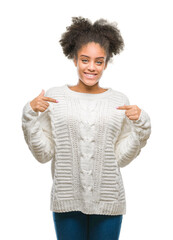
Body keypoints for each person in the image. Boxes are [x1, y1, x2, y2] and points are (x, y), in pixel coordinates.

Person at [21, 16, 151, 240]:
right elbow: (44, 154)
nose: (91, 67)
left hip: (109, 201)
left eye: (99, 61)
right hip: (66, 201)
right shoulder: (55, 97)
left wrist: (142, 125)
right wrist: (29, 114)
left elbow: (120, 158)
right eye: (85, 60)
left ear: (106, 63)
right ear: (74, 59)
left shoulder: (118, 101)